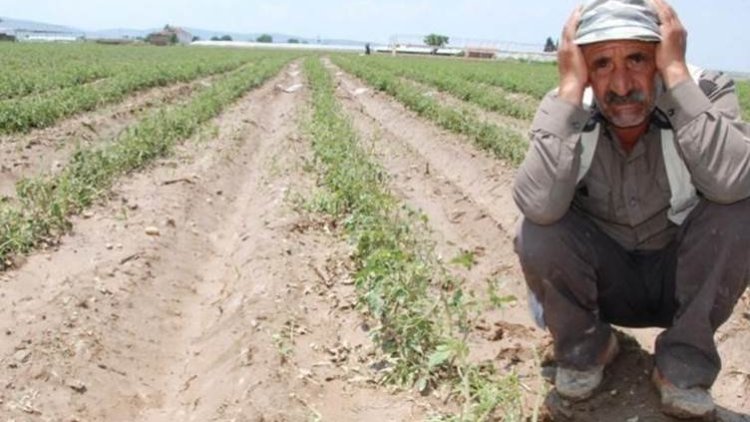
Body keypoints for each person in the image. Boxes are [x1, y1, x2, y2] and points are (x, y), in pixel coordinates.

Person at [512, 0, 750, 418]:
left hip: (679, 280)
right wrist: (569, 91)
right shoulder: (568, 106)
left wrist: (676, 78)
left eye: (638, 58)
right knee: (538, 228)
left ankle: (683, 365)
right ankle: (588, 348)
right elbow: (537, 205)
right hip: (606, 283)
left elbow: (733, 182)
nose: (621, 84)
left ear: (662, 55)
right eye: (602, 63)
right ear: (581, 65)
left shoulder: (704, 91)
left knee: (741, 210)